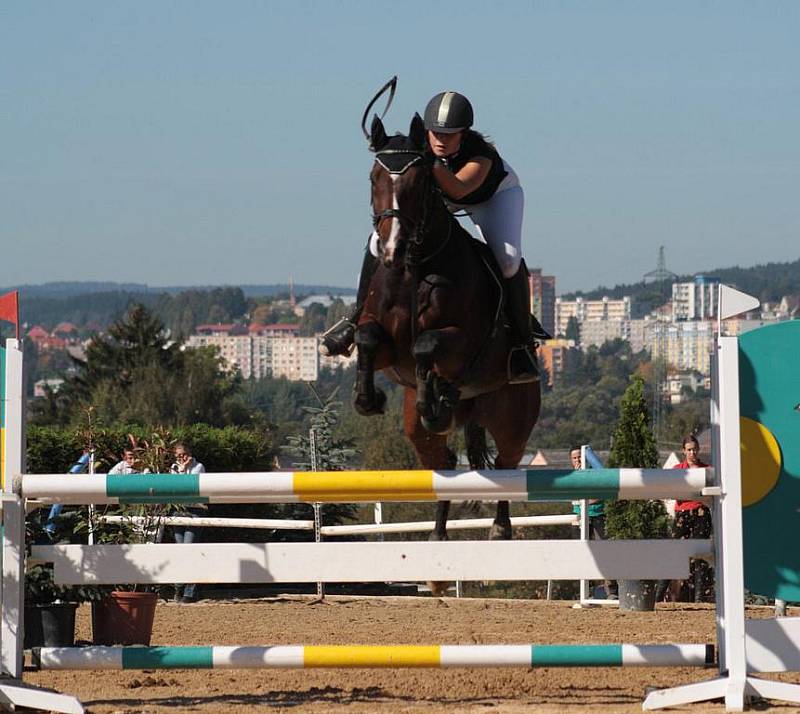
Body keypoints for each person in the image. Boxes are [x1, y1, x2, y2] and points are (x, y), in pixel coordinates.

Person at [321, 90, 541, 384]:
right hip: (442, 198)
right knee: (377, 243)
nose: (440, 140)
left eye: (449, 135)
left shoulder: (481, 156)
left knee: (508, 260)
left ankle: (521, 344)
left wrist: (425, 161)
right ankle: (353, 319)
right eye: (435, 132)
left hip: (490, 198)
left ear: (464, 133)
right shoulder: (423, 146)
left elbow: (458, 190)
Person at [671, 434, 713, 603]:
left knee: (700, 554)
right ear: (684, 451)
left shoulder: (707, 468)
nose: (692, 453)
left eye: (694, 449)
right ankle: (661, 596)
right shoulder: (676, 469)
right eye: (689, 450)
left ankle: (699, 597)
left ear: (698, 450)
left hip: (701, 513)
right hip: (682, 513)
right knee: (673, 552)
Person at [570, 447, 617, 599]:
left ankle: (612, 591)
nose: (577, 461)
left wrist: (587, 501)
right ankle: (585, 592)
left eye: (580, 457)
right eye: (575, 458)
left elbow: (601, 494)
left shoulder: (596, 472)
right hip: (580, 517)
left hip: (598, 515)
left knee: (605, 553)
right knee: (582, 555)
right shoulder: (570, 476)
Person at [170, 442, 205, 603]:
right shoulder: (173, 467)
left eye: (183, 455)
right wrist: (180, 468)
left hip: (194, 511)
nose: (181, 458)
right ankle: (179, 587)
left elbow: (188, 486)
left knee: (188, 549)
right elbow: (173, 487)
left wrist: (184, 469)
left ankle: (189, 591)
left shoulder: (199, 467)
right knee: (179, 551)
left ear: (188, 453)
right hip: (178, 510)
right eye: (178, 456)